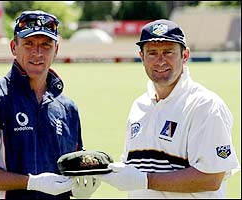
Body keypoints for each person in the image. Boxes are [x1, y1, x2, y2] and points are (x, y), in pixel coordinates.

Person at [0, 10, 99, 199]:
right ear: (14, 47)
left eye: (46, 45)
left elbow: (69, 170)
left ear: (56, 50)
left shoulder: (68, 108)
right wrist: (32, 182)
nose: (37, 53)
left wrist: (78, 187)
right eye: (29, 43)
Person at [97, 19, 240, 198]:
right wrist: (101, 173)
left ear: (185, 55)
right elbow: (132, 168)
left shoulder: (205, 105)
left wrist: (146, 180)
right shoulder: (139, 106)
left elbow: (212, 178)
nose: (160, 60)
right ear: (142, 57)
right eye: (152, 53)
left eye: (168, 52)